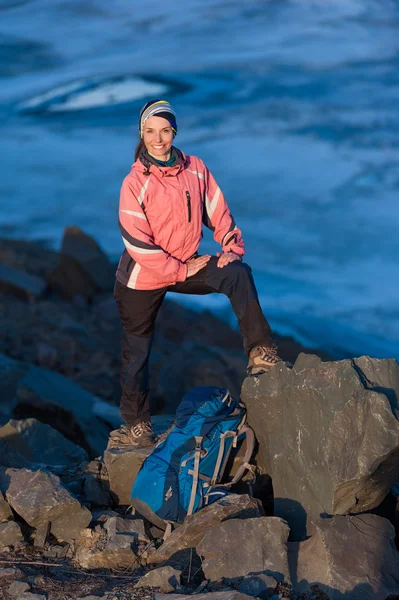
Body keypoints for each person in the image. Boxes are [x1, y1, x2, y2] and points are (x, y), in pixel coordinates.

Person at [114, 99, 282, 448]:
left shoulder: (196, 169)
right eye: (150, 132)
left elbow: (218, 211)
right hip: (142, 278)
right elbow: (136, 242)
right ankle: (137, 423)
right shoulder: (134, 183)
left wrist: (230, 247)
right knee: (137, 354)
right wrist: (178, 268)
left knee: (237, 273)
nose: (158, 139)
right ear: (141, 134)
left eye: (164, 131)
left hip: (186, 266)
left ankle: (261, 351)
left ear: (174, 131)